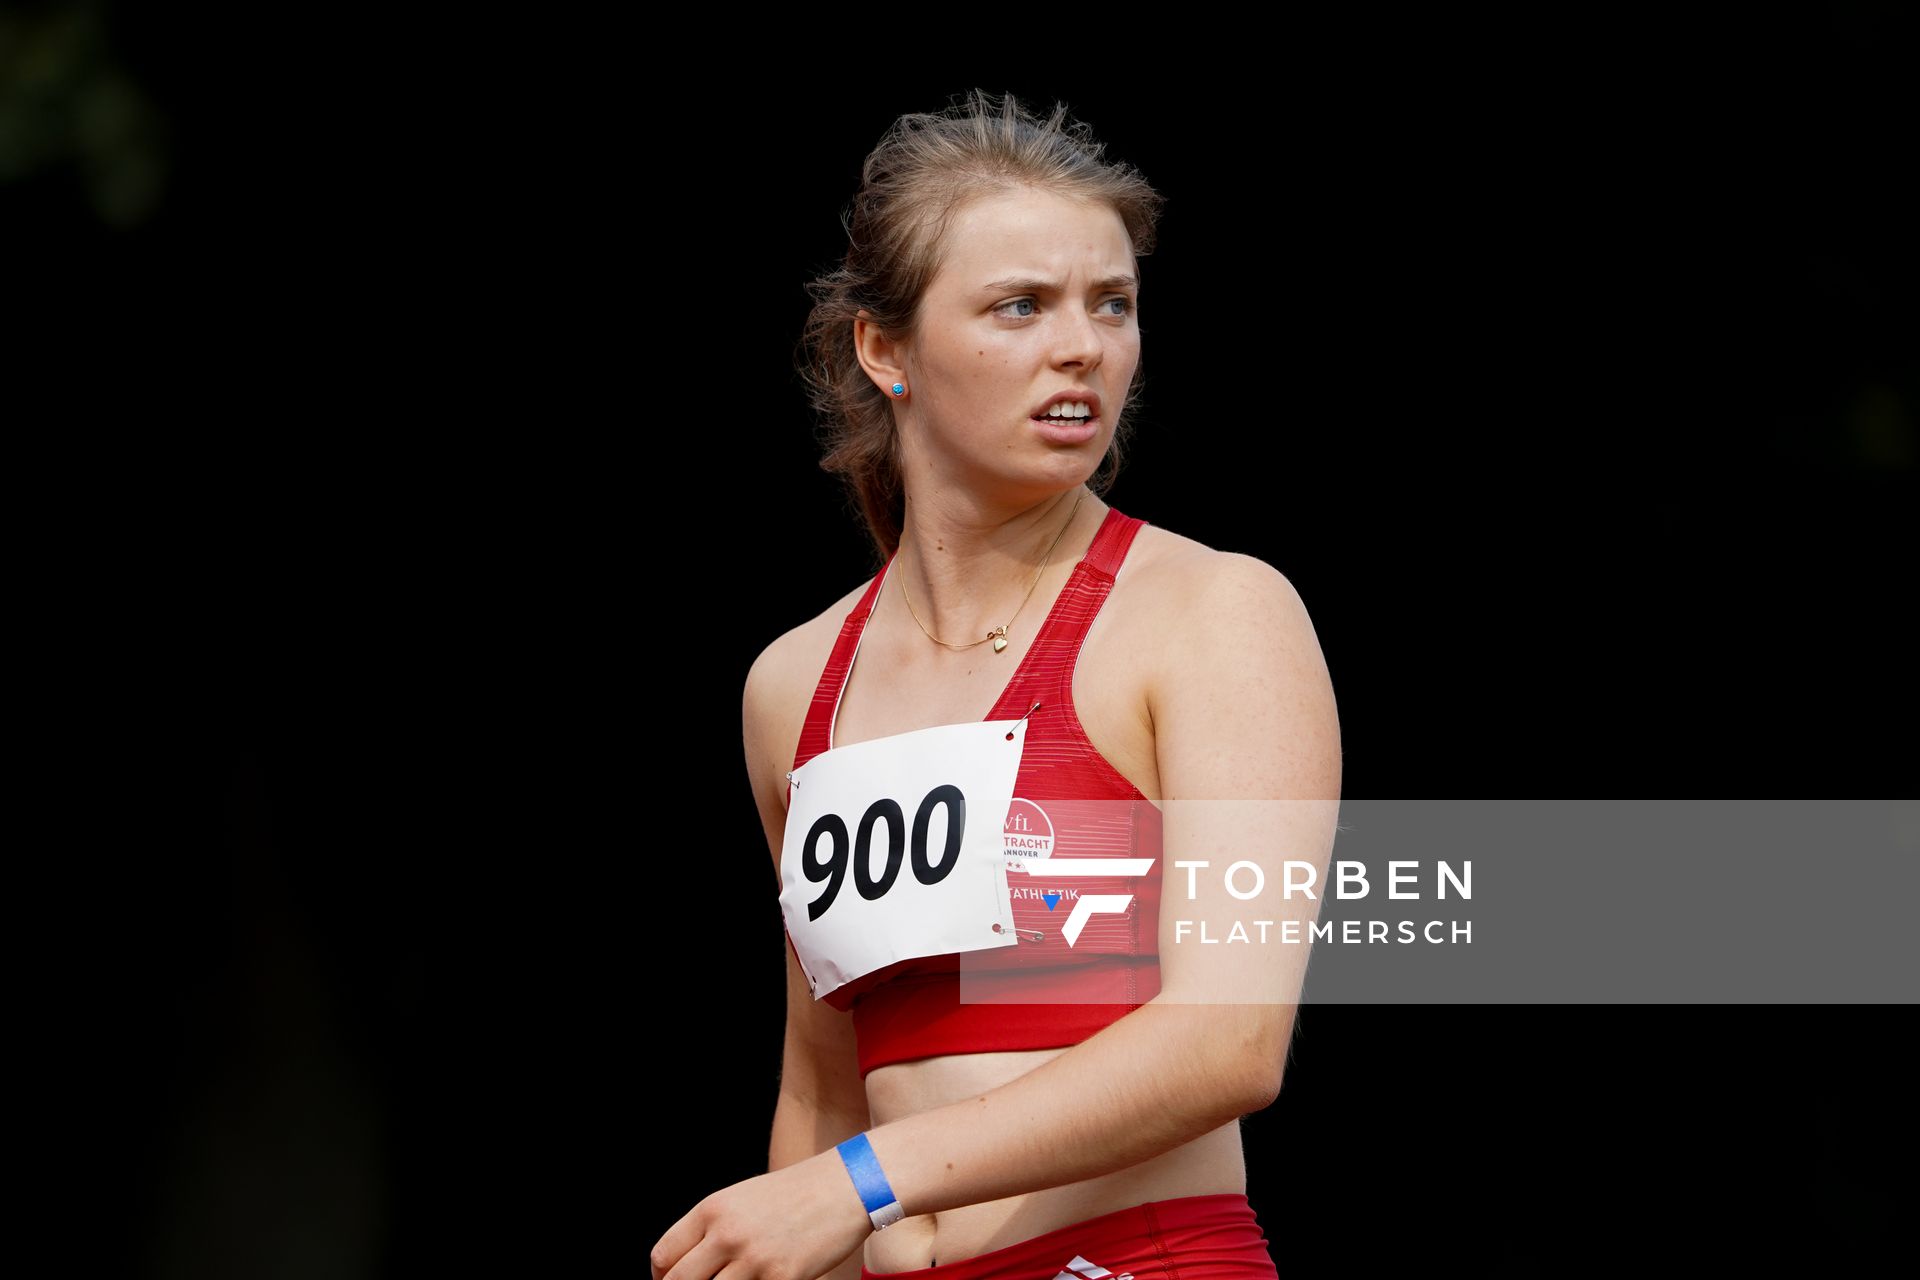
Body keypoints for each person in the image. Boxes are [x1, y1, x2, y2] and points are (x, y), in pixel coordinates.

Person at [650, 89, 1340, 1280]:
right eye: (1020, 305)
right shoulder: (791, 683)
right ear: (884, 347)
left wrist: (863, 1181)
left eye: (1111, 304)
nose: (1082, 345)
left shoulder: (1215, 612)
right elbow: (819, 1087)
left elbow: (1230, 1034)